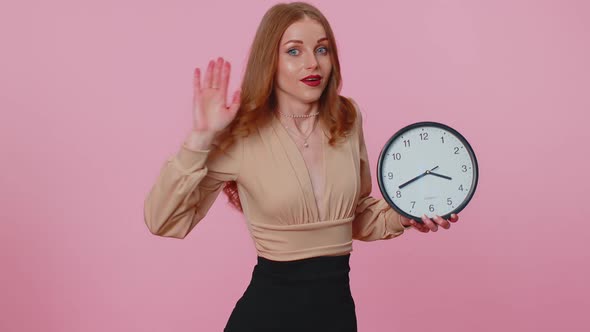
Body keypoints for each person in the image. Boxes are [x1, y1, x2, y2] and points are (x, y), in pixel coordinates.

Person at [143, 2, 460, 331]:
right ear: (271, 61)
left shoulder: (348, 118)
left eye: (322, 49)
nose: (313, 63)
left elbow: (356, 216)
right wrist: (200, 138)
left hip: (337, 318)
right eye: (294, 51)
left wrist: (403, 214)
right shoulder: (241, 133)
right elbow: (162, 221)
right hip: (265, 319)